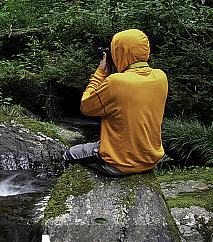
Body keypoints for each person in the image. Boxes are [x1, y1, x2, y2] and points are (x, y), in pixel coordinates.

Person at [64, 28, 168, 176]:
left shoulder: (116, 82)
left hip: (120, 163)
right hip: (150, 159)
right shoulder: (161, 77)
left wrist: (101, 73)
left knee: (68, 155)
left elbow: (86, 106)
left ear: (120, 53)